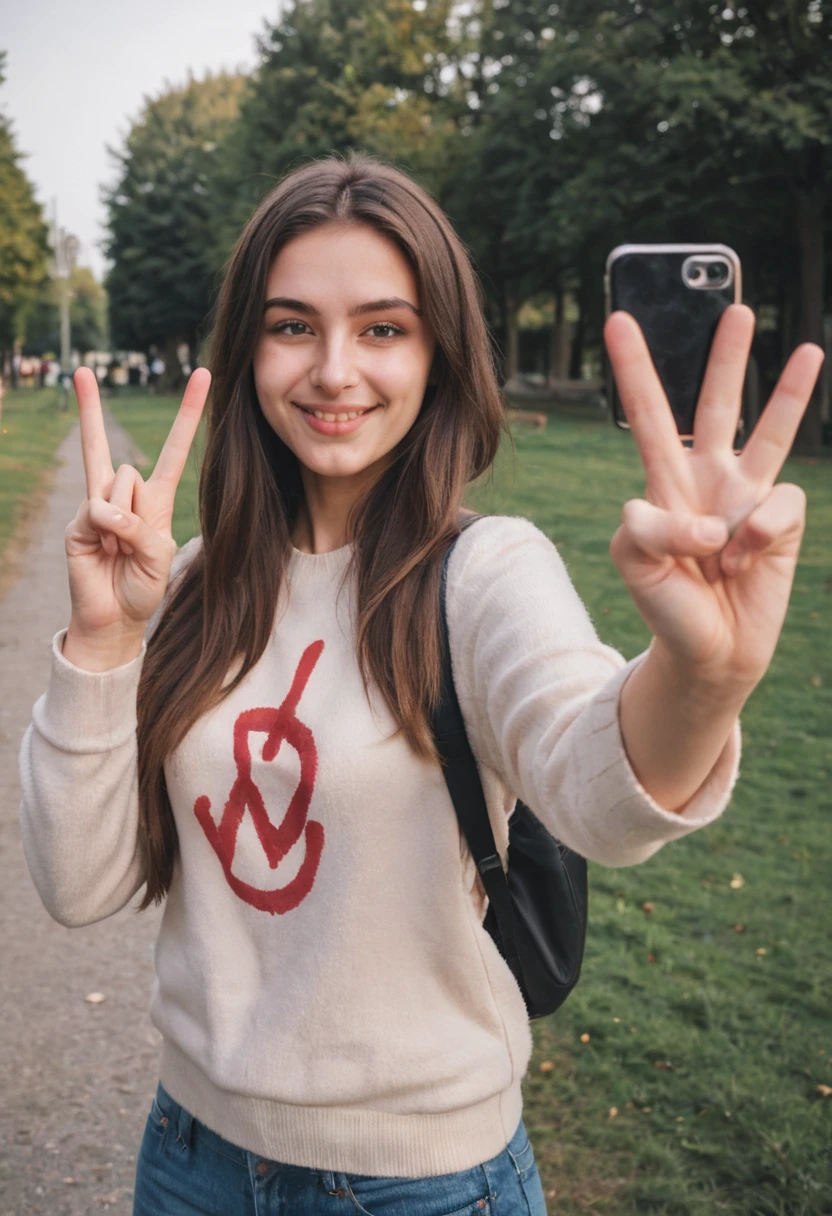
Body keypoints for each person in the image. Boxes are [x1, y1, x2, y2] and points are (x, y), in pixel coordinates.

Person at [18, 153, 823, 1216]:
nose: (334, 371)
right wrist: (102, 640)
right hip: (188, 1158)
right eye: (293, 324)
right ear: (247, 346)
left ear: (440, 354)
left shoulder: (488, 571)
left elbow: (593, 783)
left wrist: (700, 678)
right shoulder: (189, 578)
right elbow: (78, 887)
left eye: (384, 328)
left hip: (424, 1185)